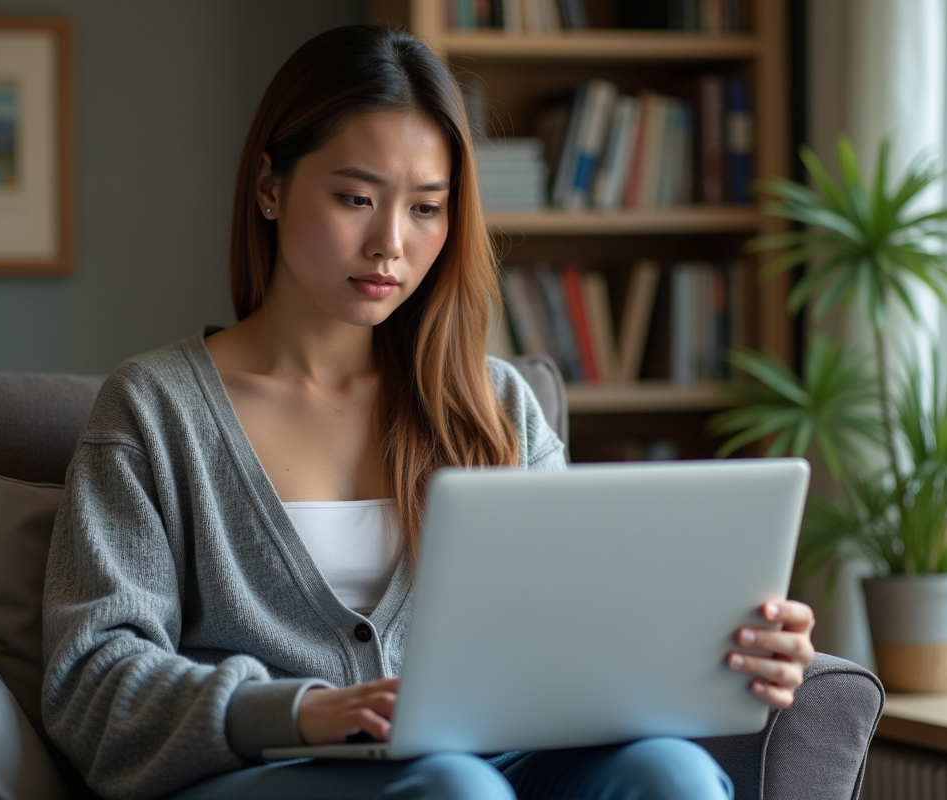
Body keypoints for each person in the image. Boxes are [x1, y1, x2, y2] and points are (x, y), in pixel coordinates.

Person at [41, 23, 816, 800]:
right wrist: (302, 711)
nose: (390, 244)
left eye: (426, 209)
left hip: (490, 757)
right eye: (355, 198)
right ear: (270, 187)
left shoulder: (496, 406)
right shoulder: (155, 409)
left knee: (670, 771)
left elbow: (577, 628)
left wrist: (727, 648)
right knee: (454, 790)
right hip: (268, 767)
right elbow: (92, 680)